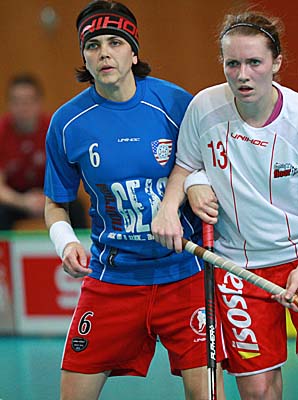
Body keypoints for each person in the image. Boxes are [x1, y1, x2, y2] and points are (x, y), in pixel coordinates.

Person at [151, 10, 298, 400]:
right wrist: (174, 202)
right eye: (232, 63)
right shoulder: (204, 108)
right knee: (257, 390)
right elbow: (185, 164)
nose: (243, 75)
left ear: (277, 63)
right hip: (239, 268)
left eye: (254, 62)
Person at [43, 1, 225, 399]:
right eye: (93, 46)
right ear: (84, 58)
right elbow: (56, 203)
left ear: (134, 52)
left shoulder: (176, 104)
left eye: (115, 42)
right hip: (113, 278)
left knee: (208, 395)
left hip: (185, 274)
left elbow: (207, 166)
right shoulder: (67, 124)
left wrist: (195, 183)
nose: (104, 53)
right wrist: (66, 243)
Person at [0, 74, 87, 230]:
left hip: (50, 192)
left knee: (76, 207)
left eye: (28, 101)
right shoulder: (2, 132)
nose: (23, 108)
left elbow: (68, 175)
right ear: (8, 104)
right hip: (15, 197)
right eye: (17, 102)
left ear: (39, 102)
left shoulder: (54, 130)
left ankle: (78, 245)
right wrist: (23, 201)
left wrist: (49, 197)